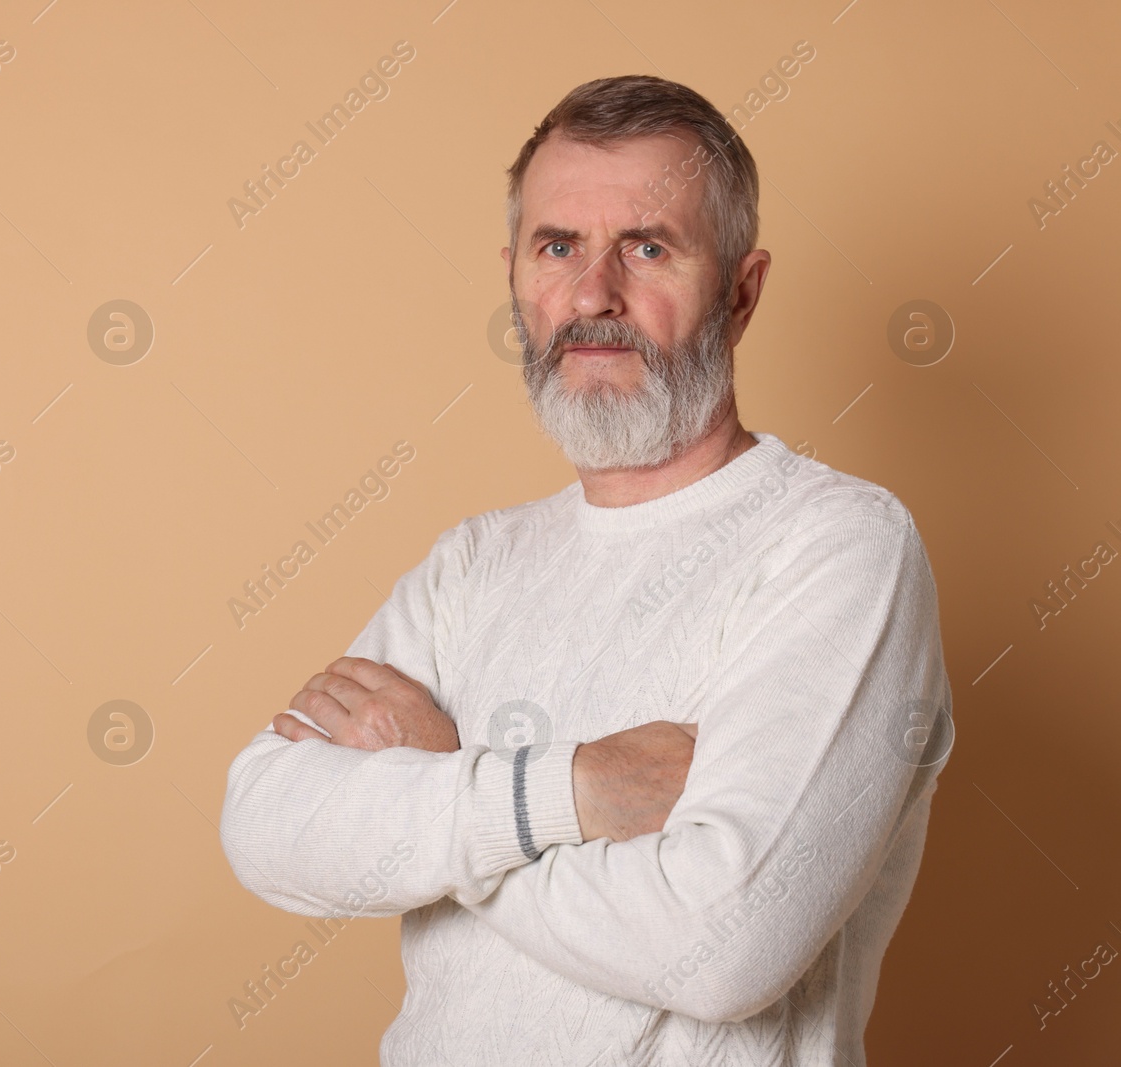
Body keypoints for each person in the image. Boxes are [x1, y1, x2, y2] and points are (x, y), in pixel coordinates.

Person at [219, 74, 951, 1066]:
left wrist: (440, 791)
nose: (593, 294)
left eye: (647, 247)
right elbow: (265, 820)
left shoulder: (836, 545)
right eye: (557, 245)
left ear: (741, 291)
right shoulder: (473, 563)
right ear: (515, 274)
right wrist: (562, 793)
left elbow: (724, 942)